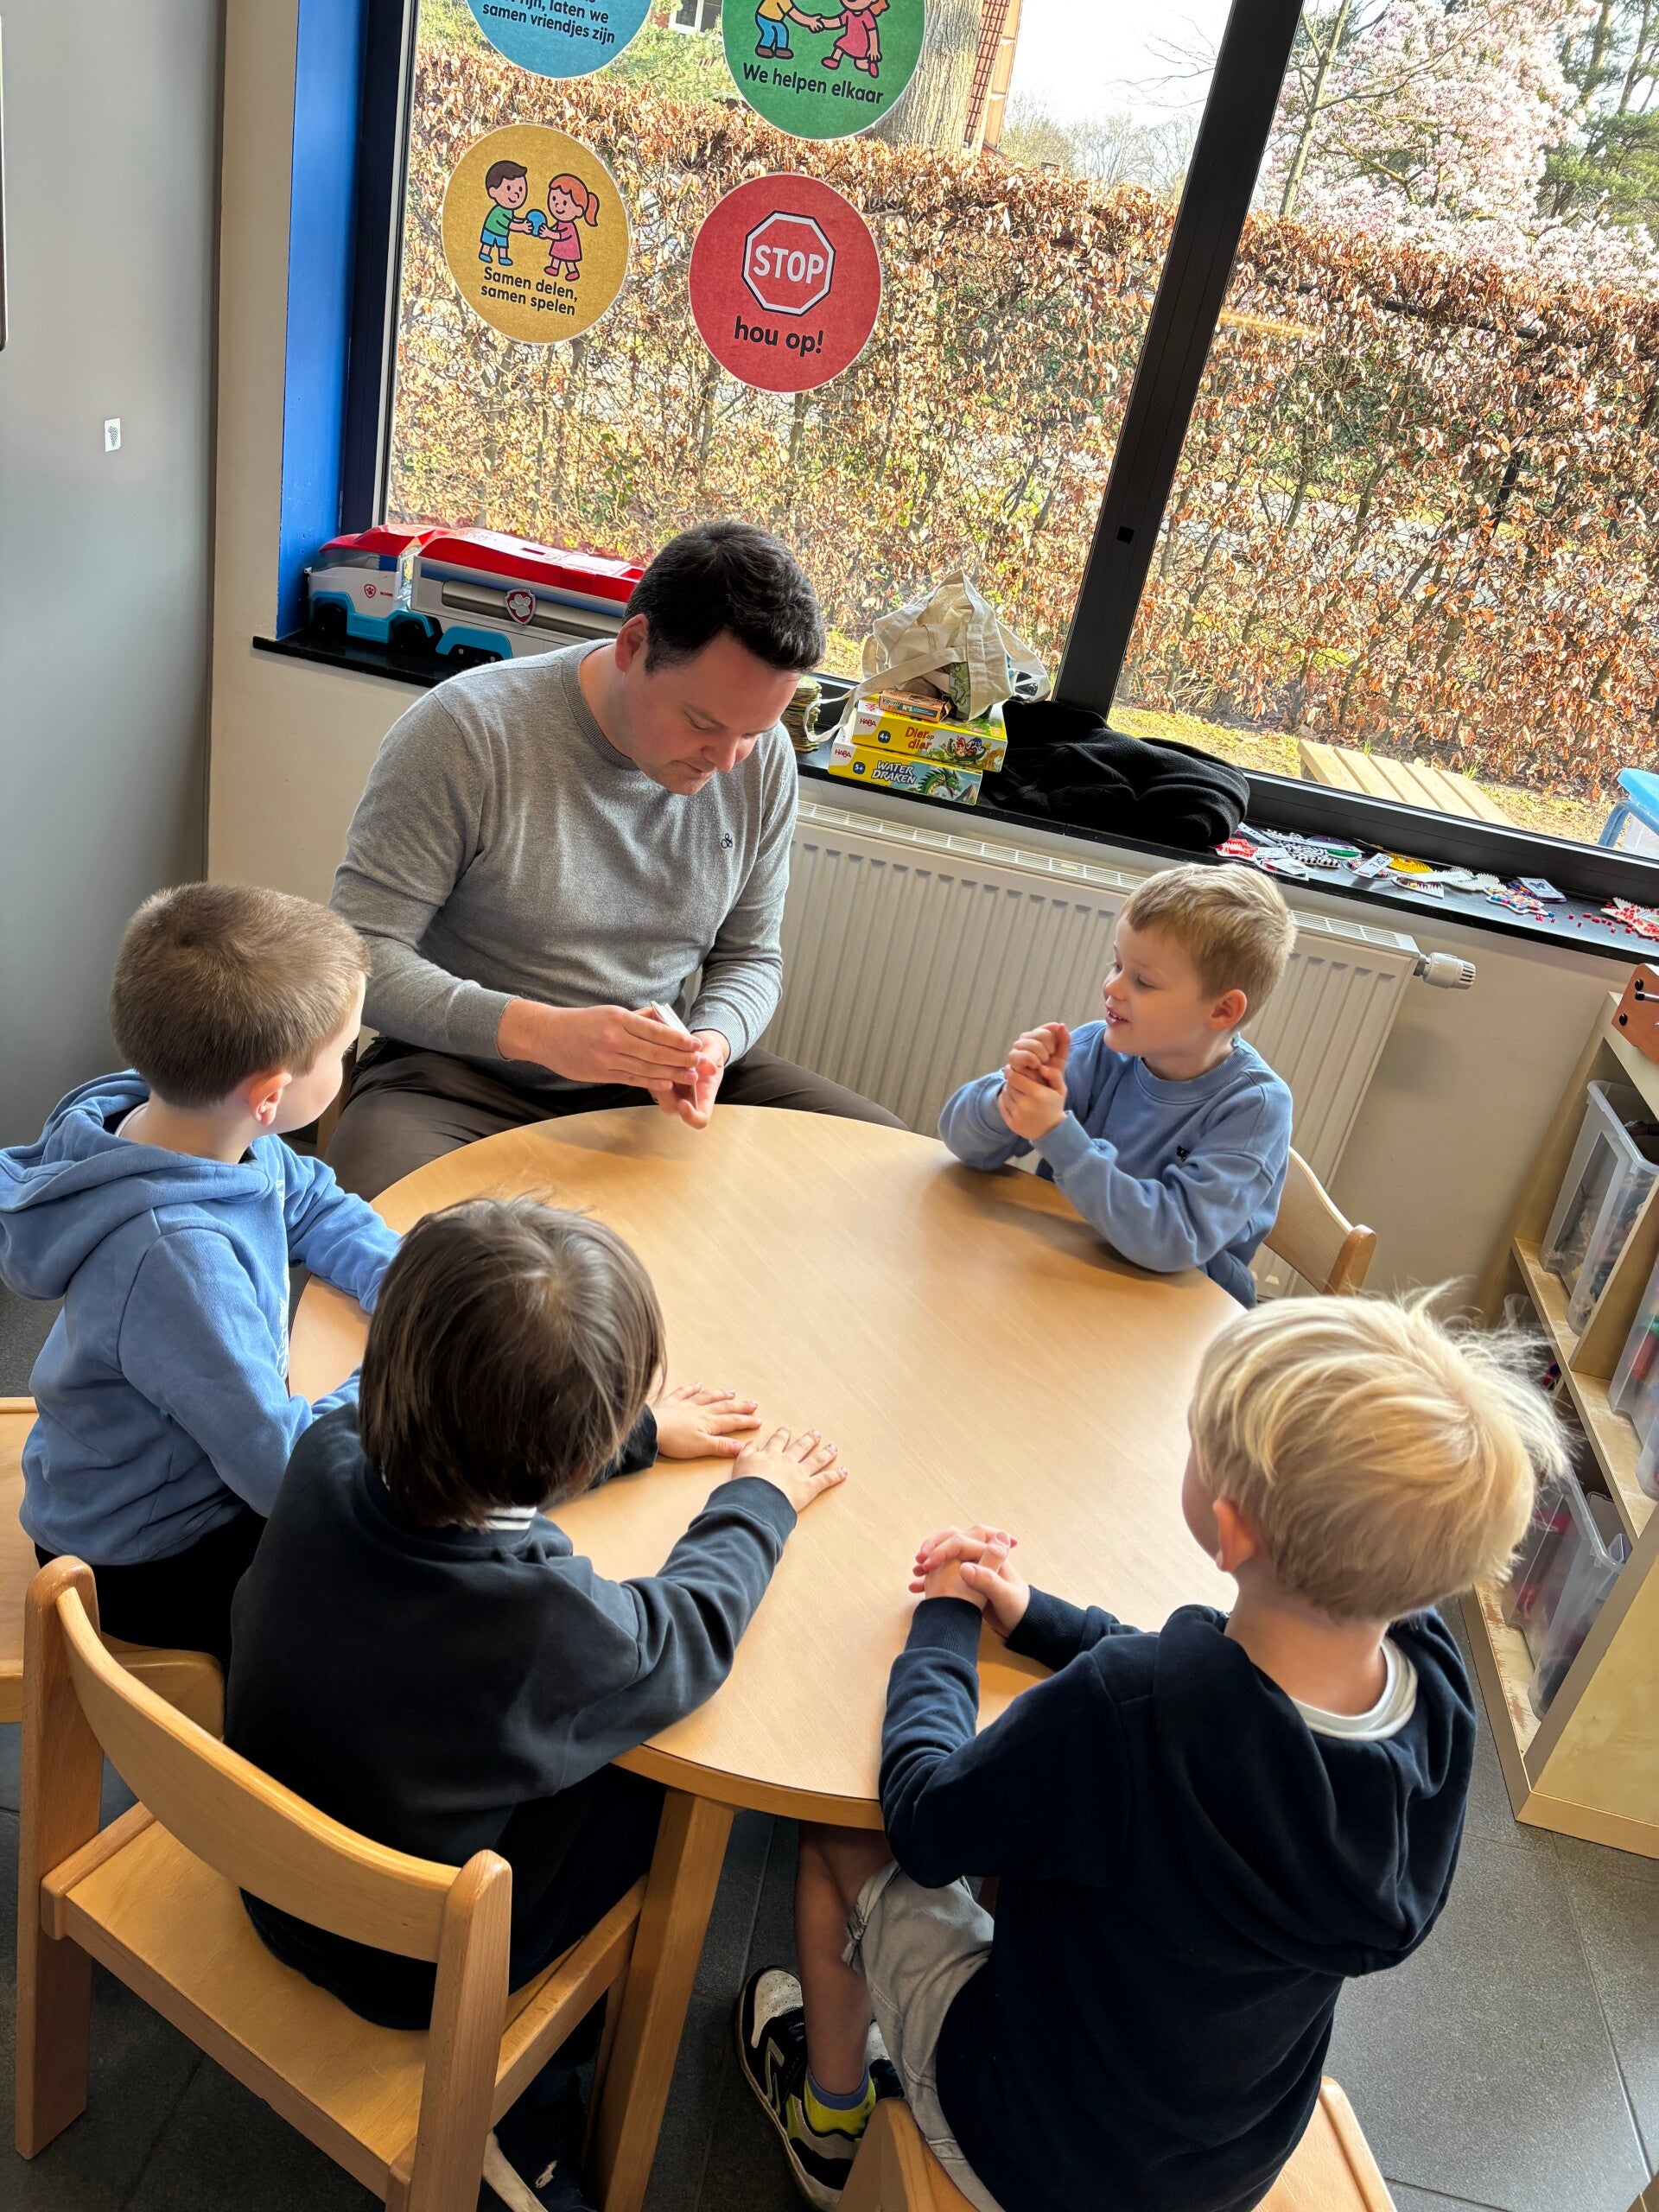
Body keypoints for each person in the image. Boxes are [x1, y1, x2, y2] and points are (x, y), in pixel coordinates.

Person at [739, 1292, 1564, 2212]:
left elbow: (925, 1820)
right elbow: (1217, 1677)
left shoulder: (1126, 1711)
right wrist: (1042, 1619)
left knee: (837, 1839)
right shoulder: (1434, 1692)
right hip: (1222, 2161)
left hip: (1036, 2146)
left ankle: (829, 2123)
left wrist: (944, 1623)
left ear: (1231, 1527)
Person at [226, 1196, 849, 2212]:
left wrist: (633, 1434)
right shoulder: (548, 1622)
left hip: (262, 1866)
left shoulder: (324, 1454)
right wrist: (759, 1496)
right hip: (412, 1970)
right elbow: (688, 1631)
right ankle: (532, 2113)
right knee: (660, 1779)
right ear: (574, 1454)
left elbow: (456, 1453)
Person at [327, 519, 904, 1203]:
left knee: (887, 1168)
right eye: (703, 722)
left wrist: (710, 1046)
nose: (726, 761)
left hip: (650, 1084)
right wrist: (539, 1033)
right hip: (457, 1077)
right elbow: (358, 957)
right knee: (390, 1236)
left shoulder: (761, 760)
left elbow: (751, 957)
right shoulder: (465, 732)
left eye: (752, 732)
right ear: (634, 645)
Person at [0, 884, 397, 1666]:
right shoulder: (177, 1259)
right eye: (345, 1053)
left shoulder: (194, 1126)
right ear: (271, 1096)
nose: (347, 1065)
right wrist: (391, 1369)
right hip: (142, 1553)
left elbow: (311, 1201)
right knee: (384, 1585)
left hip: (163, 1470)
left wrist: (406, 1282)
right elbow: (283, 1472)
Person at [938, 862, 1295, 1305]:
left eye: (1143, 981)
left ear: (1222, 1011)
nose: (1113, 987)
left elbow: (1172, 1238)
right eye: (1117, 963)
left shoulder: (1254, 1108)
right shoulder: (1096, 1049)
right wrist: (1010, 1097)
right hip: (1072, 1270)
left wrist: (1056, 1135)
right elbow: (961, 1143)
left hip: (1182, 1310)